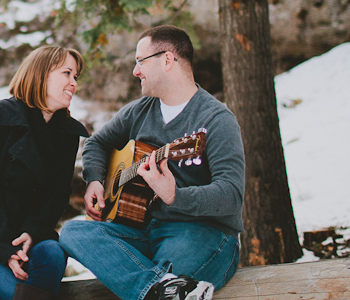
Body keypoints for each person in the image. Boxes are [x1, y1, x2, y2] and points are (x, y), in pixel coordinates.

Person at [59, 25, 245, 300]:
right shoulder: (138, 111)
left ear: (167, 60)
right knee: (73, 231)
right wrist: (96, 180)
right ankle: (161, 287)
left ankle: (155, 284)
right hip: (141, 231)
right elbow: (97, 142)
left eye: (140, 61)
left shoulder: (217, 119)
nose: (135, 71)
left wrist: (175, 196)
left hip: (201, 233)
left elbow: (231, 195)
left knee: (172, 268)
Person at [0, 45, 90, 300]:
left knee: (52, 250)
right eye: (67, 73)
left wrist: (32, 232)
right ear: (41, 74)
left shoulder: (68, 134)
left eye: (76, 77)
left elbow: (58, 195)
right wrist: (6, 248)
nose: (74, 83)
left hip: (32, 242)